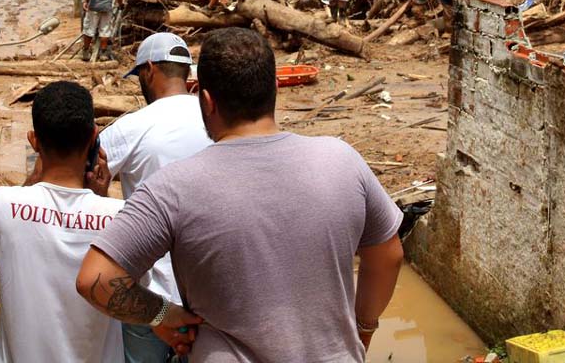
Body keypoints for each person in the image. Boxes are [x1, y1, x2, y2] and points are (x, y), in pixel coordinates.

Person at [77, 28, 404, 361]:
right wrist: (363, 326)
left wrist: (161, 314)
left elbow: (95, 279)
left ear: (206, 101)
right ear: (275, 89)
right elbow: (388, 256)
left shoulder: (172, 187)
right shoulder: (342, 160)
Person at [0, 81, 125, 363]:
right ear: (93, 137)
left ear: (34, 140)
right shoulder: (120, 217)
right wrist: (101, 199)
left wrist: (29, 184)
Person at [98, 32, 212, 362]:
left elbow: (82, 173)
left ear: (148, 70)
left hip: (153, 302)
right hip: (210, 293)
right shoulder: (216, 119)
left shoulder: (131, 127)